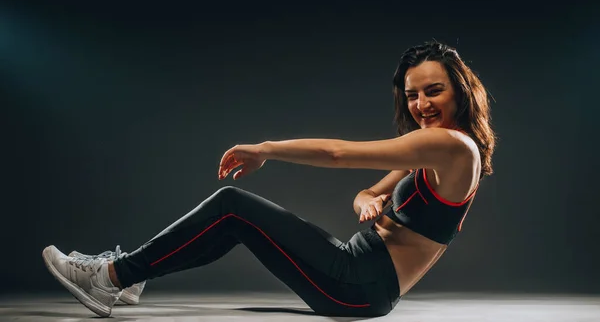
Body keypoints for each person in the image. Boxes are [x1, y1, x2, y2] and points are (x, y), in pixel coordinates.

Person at [42, 41, 496, 317]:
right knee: (235, 219)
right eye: (413, 94)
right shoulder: (436, 147)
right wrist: (366, 202)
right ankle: (133, 275)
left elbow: (339, 153)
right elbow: (369, 190)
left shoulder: (451, 147)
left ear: (460, 89)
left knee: (232, 205)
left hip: (357, 284)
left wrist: (266, 149)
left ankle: (111, 277)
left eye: (433, 91)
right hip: (358, 274)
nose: (420, 104)